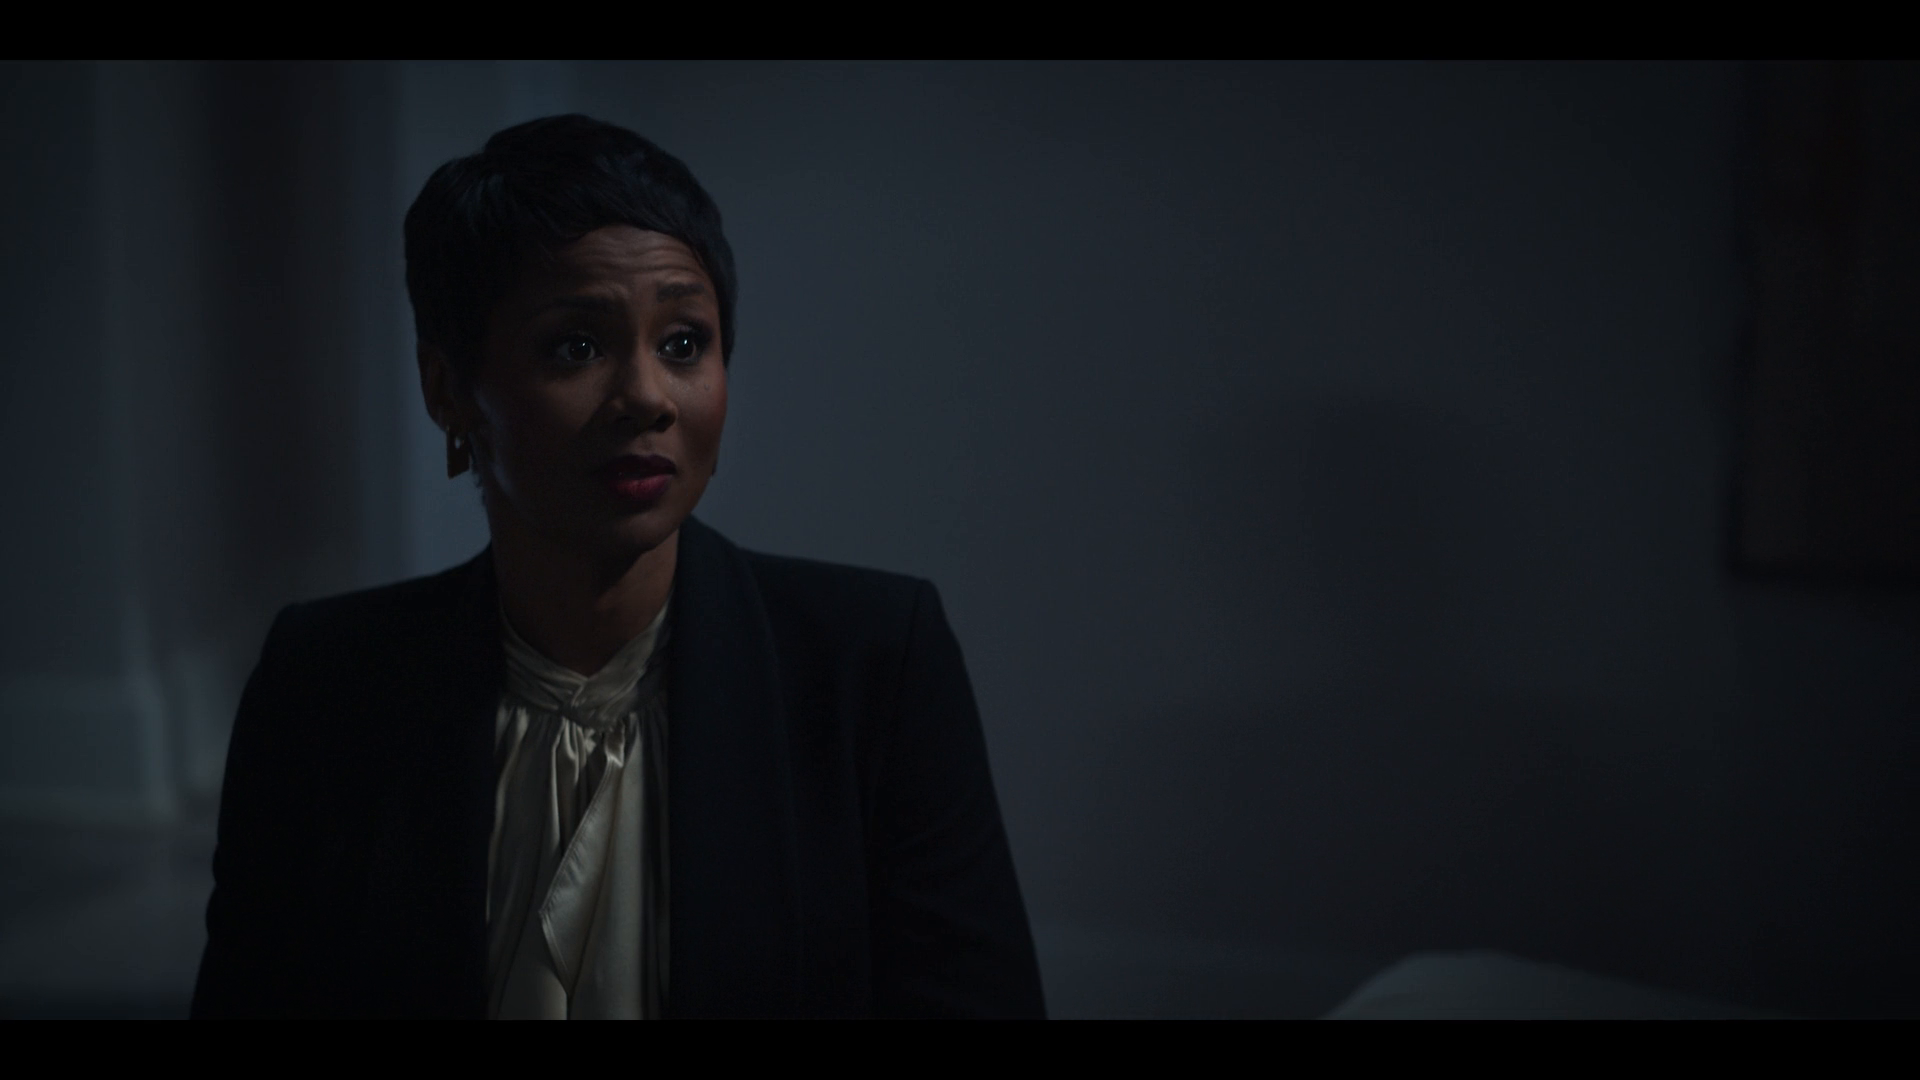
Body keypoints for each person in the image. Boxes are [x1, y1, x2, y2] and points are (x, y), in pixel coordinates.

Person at [190, 115, 1045, 1019]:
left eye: (683, 344)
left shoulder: (872, 668)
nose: (646, 396)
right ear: (448, 389)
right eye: (577, 345)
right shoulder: (324, 685)